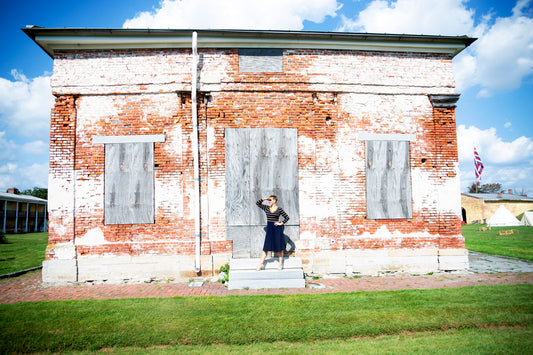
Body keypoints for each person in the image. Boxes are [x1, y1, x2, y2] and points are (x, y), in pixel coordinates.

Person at [256, 195, 290, 271]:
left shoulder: (279, 209)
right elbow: (258, 203)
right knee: (266, 247)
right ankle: (261, 264)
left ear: (275, 200)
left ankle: (280, 264)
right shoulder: (267, 208)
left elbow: (287, 217)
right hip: (269, 229)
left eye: (270, 200)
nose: (269, 201)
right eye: (269, 200)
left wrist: (281, 223)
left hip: (277, 229)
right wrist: (264, 198)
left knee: (279, 247)